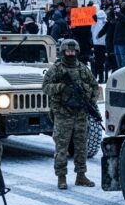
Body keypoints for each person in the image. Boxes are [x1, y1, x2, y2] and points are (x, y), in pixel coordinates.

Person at [41, 39, 99, 190]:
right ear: (63, 52)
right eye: (68, 51)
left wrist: (91, 102)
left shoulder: (83, 69)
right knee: (62, 146)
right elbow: (45, 87)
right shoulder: (56, 69)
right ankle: (61, 177)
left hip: (80, 113)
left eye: (73, 51)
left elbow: (94, 86)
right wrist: (61, 87)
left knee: (81, 146)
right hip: (63, 114)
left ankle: (81, 175)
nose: (71, 54)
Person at [91, 8, 108, 83]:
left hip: (97, 44)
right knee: (101, 62)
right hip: (104, 44)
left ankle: (97, 77)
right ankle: (101, 78)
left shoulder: (95, 22)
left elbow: (92, 31)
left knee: (97, 62)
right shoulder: (106, 22)